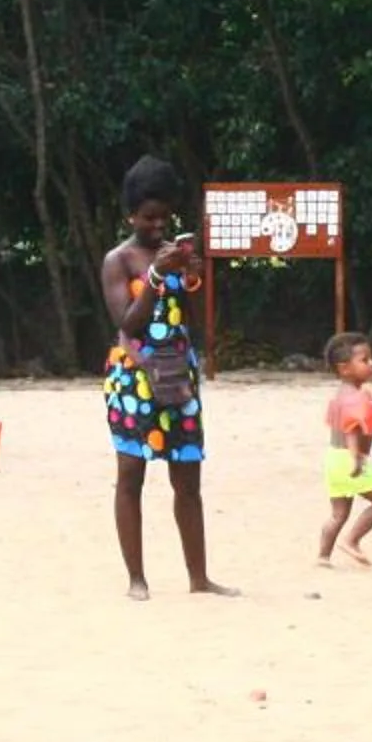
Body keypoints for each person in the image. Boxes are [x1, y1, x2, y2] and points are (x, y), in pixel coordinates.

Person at [100, 157, 229, 600]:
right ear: (129, 215)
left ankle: (199, 578)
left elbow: (197, 319)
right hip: (133, 378)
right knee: (131, 473)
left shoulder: (176, 253)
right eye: (148, 217)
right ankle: (137, 579)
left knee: (188, 479)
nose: (157, 226)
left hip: (179, 374)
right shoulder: (117, 261)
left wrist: (193, 277)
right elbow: (128, 323)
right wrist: (155, 274)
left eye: (164, 217)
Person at [316, 331, 372, 568]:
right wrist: (356, 457)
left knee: (338, 514)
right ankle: (352, 540)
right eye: (364, 360)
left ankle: (323, 556)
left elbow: (336, 425)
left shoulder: (339, 395)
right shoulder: (358, 397)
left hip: (332, 456)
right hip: (349, 458)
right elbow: (351, 428)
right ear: (344, 368)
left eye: (371, 359)